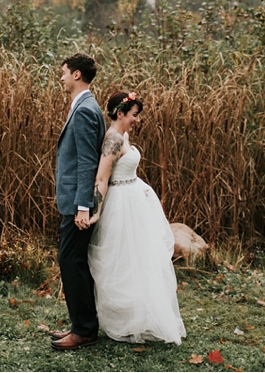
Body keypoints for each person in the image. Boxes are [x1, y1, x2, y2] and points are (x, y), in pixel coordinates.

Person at [86, 90, 186, 345]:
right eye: (134, 115)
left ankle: (142, 317)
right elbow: (101, 178)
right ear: (120, 113)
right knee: (122, 261)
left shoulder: (123, 136)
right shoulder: (111, 141)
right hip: (121, 208)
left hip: (136, 203)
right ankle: (124, 320)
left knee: (140, 261)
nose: (137, 120)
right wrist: (96, 212)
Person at [50, 53, 107, 351]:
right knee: (74, 261)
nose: (60, 78)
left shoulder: (85, 109)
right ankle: (81, 324)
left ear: (75, 75)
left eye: (63, 72)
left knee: (71, 262)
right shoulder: (83, 105)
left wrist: (83, 206)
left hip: (77, 204)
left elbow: (87, 161)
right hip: (74, 200)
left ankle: (84, 330)